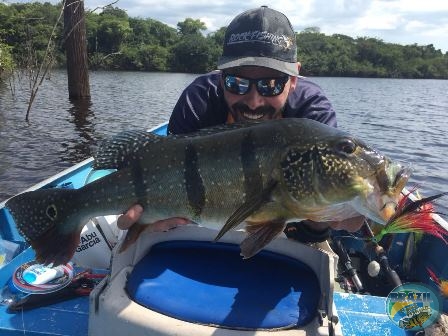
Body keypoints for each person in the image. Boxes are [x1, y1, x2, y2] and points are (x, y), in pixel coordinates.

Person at [117, 6, 365, 243]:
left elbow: (312, 233)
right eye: (237, 83)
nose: (254, 102)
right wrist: (149, 223)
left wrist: (334, 215)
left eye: (271, 85)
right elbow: (162, 172)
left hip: (286, 231)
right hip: (199, 229)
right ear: (221, 76)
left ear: (294, 78)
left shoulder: (313, 116)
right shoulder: (199, 100)